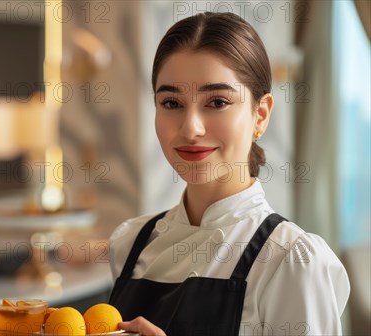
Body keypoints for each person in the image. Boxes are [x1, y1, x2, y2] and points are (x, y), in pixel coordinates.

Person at [108, 12, 350, 336]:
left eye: (217, 101)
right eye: (171, 103)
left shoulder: (291, 260)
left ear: (260, 115)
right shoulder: (129, 243)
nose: (190, 128)